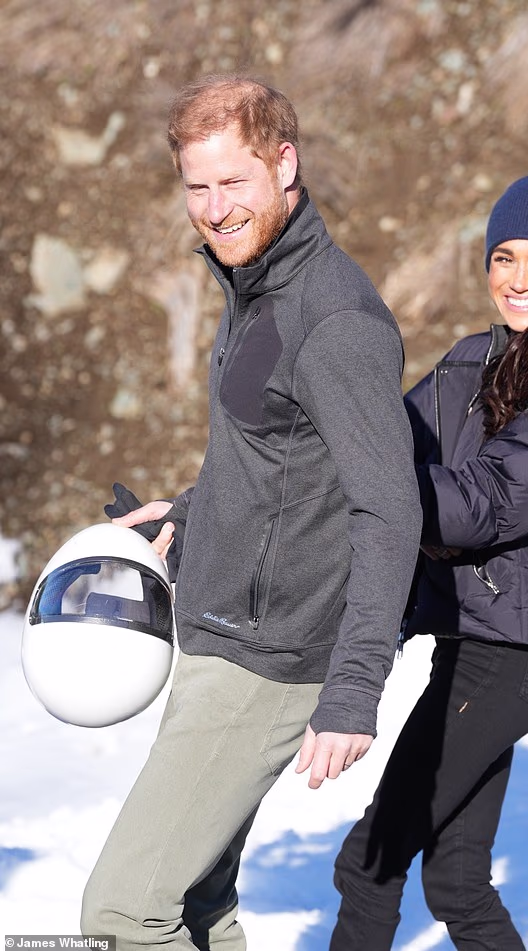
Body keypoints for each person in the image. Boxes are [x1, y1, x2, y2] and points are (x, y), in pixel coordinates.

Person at [79, 75, 422, 950]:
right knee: (195, 904)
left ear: (285, 163)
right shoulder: (258, 283)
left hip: (267, 665)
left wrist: (353, 690)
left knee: (121, 915)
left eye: (233, 182)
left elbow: (388, 509)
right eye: (197, 186)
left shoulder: (334, 318)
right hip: (219, 636)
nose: (213, 207)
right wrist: (190, 514)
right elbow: (272, 455)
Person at [329, 172, 528, 950]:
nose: (519, 279)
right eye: (504, 257)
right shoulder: (472, 361)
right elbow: (366, 447)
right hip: (467, 647)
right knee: (455, 880)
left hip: (514, 659)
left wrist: (380, 490)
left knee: (369, 863)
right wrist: (201, 504)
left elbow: (491, 501)